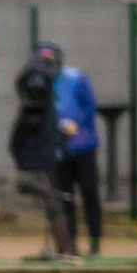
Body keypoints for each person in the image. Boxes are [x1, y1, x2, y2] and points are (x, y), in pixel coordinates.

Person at [43, 43, 102, 256]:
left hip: (83, 147)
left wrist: (76, 123)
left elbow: (89, 106)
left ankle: (95, 242)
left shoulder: (76, 78)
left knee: (90, 194)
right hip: (59, 151)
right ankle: (70, 245)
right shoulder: (41, 83)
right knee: (64, 198)